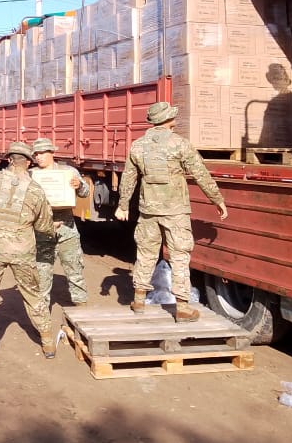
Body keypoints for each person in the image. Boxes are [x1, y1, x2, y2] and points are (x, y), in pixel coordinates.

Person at [114, 101, 228, 322]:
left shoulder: (138, 146)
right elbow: (200, 174)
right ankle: (183, 307)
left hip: (148, 210)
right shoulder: (180, 144)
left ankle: (139, 299)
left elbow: (128, 178)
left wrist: (123, 205)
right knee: (179, 256)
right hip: (175, 210)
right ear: (169, 120)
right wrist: (217, 200)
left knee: (146, 253)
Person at [0, 142, 56, 373]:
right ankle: (47, 343)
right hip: (22, 250)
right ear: (28, 162)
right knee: (33, 295)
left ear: (9, 159)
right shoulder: (35, 189)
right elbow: (44, 225)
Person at [31, 137, 90, 308]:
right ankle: (42, 319)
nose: (38, 157)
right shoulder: (31, 175)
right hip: (41, 231)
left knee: (75, 271)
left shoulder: (68, 171)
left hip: (67, 229)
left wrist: (78, 185)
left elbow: (85, 193)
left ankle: (82, 312)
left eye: (42, 153)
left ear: (52, 153)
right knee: (42, 275)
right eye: (36, 154)